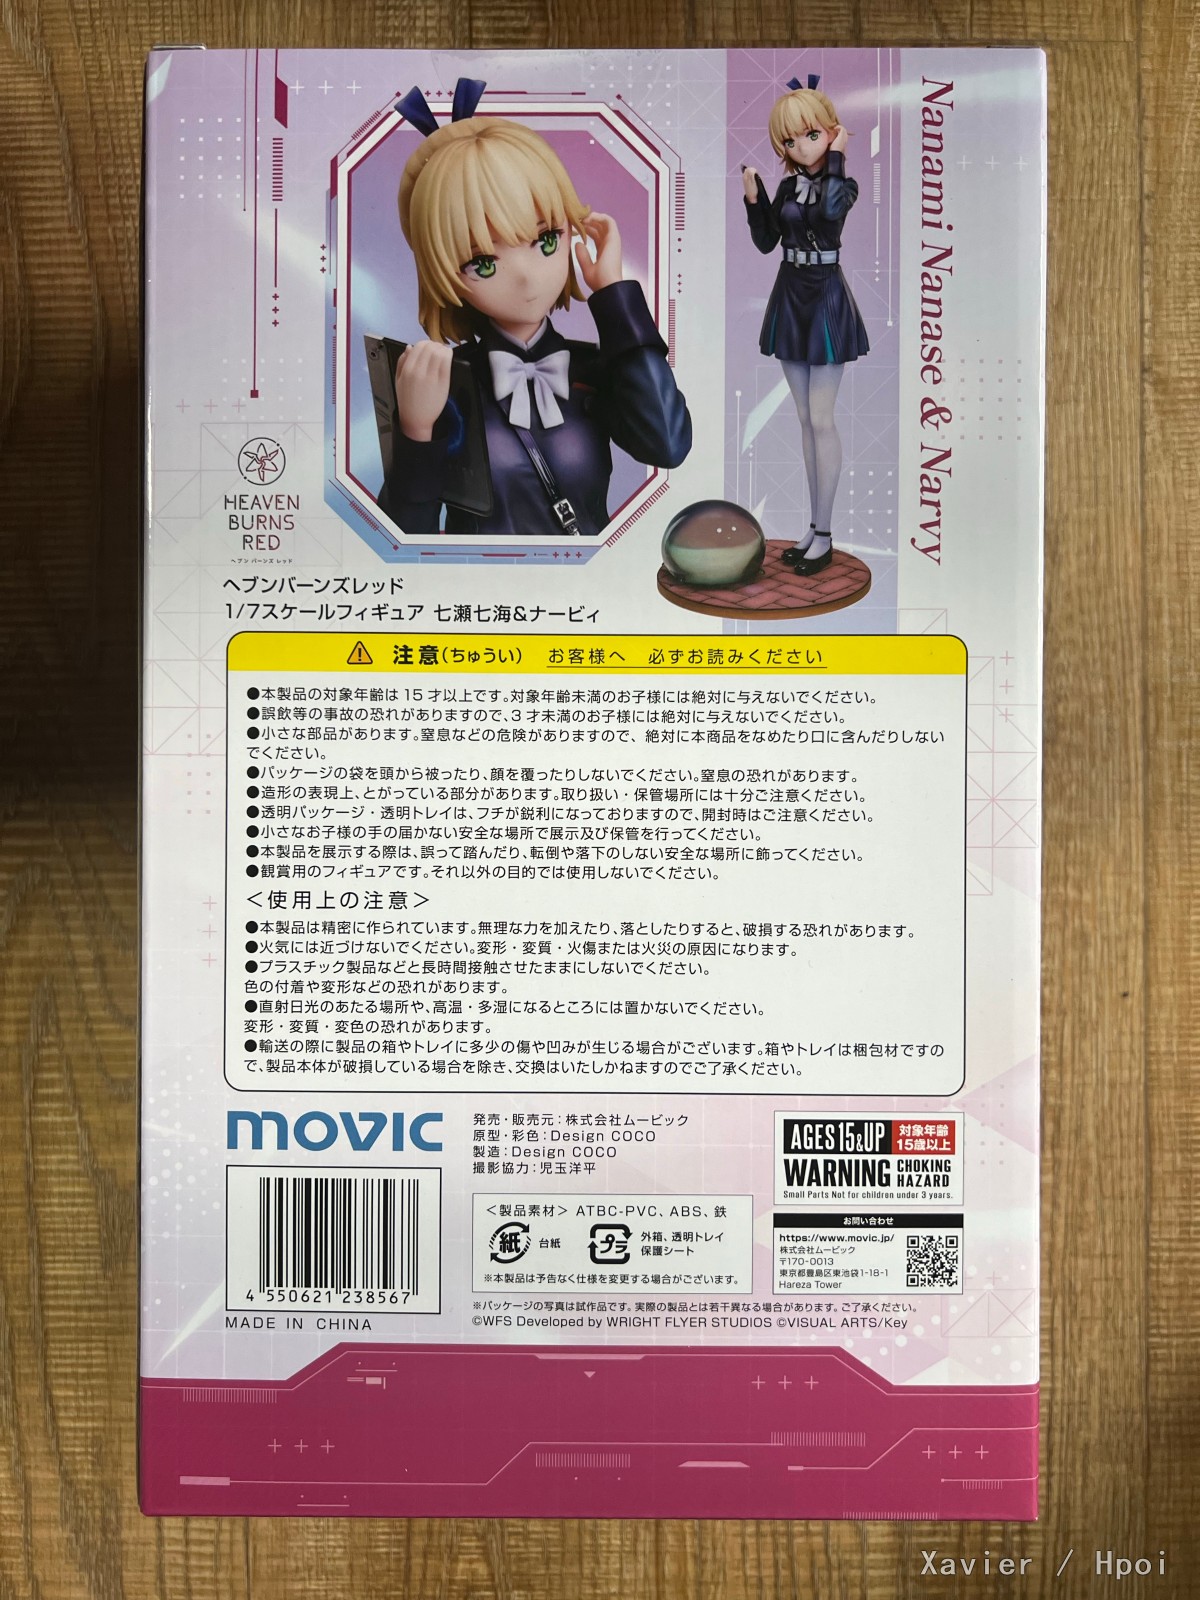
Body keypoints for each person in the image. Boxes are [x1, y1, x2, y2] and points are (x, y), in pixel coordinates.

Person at [377, 79, 691, 539]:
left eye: (546, 240)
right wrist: (415, 431)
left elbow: (668, 445)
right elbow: (402, 541)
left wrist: (614, 296)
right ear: (443, 271)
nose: (526, 277)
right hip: (478, 585)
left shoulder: (592, 369)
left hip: (588, 583)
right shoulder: (445, 383)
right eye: (484, 263)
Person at [741, 74, 869, 575]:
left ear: (831, 132)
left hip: (826, 299)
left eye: (811, 135)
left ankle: (826, 533)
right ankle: (813, 529)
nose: (800, 147)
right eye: (790, 141)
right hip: (791, 295)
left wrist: (837, 155)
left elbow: (831, 212)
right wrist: (754, 199)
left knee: (821, 419)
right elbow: (766, 242)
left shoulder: (843, 184)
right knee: (803, 418)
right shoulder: (788, 186)